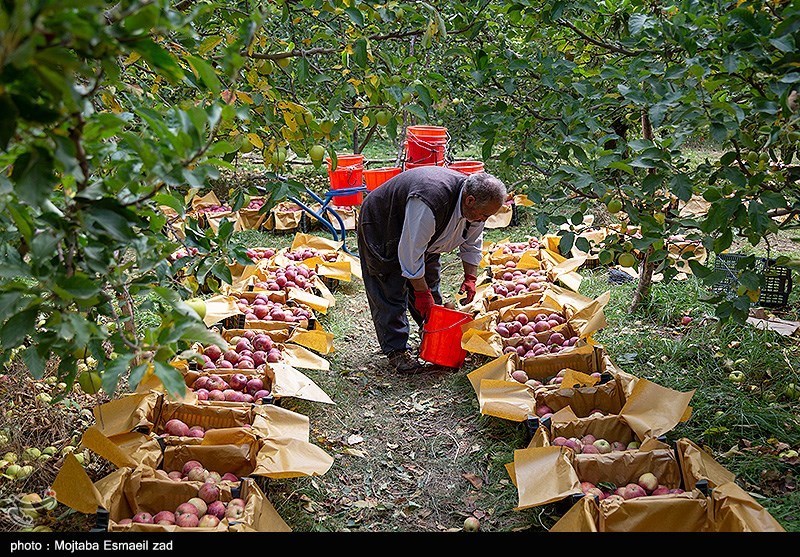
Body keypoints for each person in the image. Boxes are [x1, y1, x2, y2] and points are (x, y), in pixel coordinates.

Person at [356, 165, 508, 374]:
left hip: (425, 235)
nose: (484, 219)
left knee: (430, 284)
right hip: (384, 224)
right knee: (390, 286)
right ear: (469, 200)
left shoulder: (478, 203)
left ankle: (433, 336)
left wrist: (470, 277)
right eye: (484, 215)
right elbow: (410, 254)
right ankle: (396, 350)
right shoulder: (430, 199)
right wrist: (420, 292)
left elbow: (472, 243)